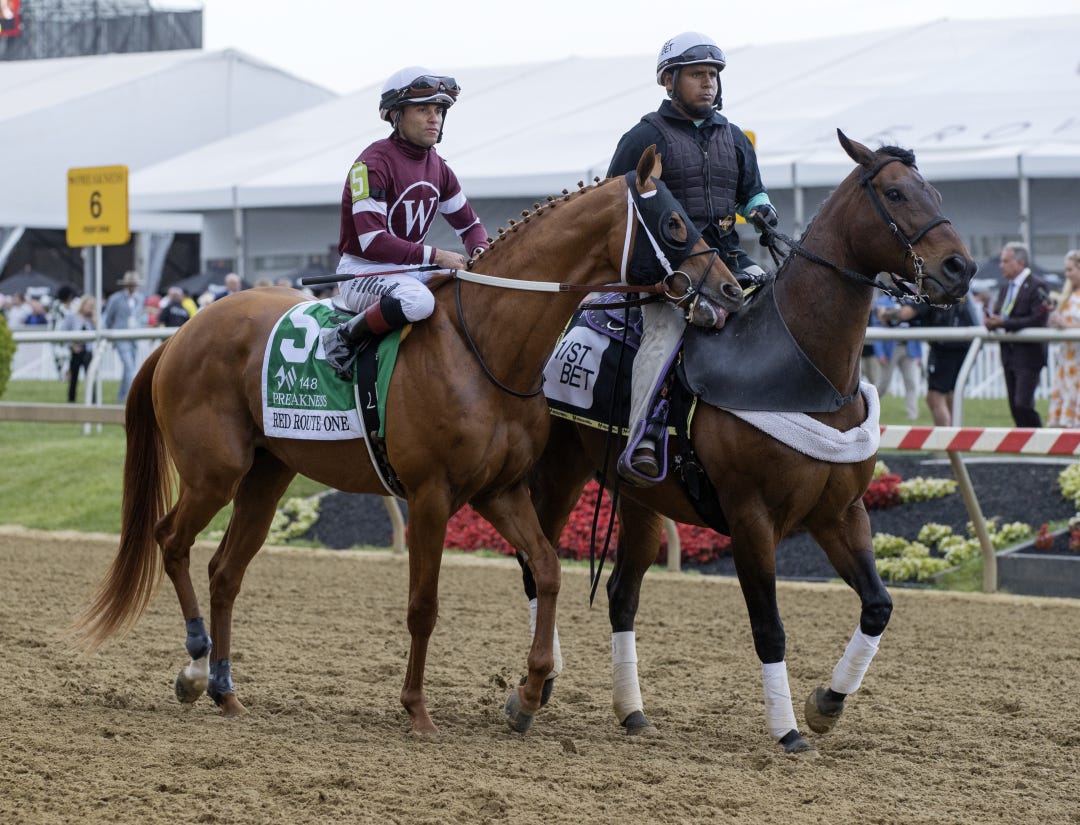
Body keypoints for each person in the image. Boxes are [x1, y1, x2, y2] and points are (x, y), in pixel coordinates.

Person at [605, 31, 779, 483]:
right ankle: (642, 435)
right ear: (668, 80)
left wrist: (760, 207)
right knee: (663, 333)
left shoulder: (735, 136)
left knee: (781, 310)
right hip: (670, 270)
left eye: (713, 76)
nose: (709, 84)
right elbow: (615, 202)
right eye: (698, 75)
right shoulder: (643, 136)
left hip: (729, 260)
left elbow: (750, 190)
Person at [321, 67, 490, 378]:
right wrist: (437, 256)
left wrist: (480, 250)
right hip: (362, 270)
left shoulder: (438, 167)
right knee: (419, 302)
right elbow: (373, 241)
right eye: (422, 109)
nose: (433, 118)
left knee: (473, 289)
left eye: (439, 110)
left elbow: (469, 226)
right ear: (396, 115)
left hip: (410, 270)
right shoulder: (371, 165)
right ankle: (343, 336)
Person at [882, 295, 981, 426]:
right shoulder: (957, 288)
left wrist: (885, 313)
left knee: (935, 397)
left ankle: (945, 439)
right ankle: (954, 436)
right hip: (965, 344)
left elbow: (906, 313)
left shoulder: (934, 289)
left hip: (945, 347)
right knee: (951, 394)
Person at [984, 242, 1050, 427]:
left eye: (1005, 261)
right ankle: (1025, 444)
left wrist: (1005, 323)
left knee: (1023, 404)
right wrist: (991, 321)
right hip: (1008, 353)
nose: (1001, 265)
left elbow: (1039, 319)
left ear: (1020, 263)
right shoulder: (1005, 288)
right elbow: (1000, 314)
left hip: (1029, 355)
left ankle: (1039, 439)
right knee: (1014, 406)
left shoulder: (1039, 285)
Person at [874, 292, 923, 421]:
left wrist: (919, 353)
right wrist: (880, 352)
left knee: (911, 382)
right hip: (891, 348)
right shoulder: (883, 301)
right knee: (883, 384)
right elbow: (877, 327)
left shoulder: (912, 300)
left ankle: (913, 415)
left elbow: (916, 326)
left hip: (909, 347)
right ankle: (869, 409)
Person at [1047, 250, 1080, 427]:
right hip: (1067, 358)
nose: (1067, 275)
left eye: (1070, 270)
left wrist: (1067, 326)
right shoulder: (1067, 296)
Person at [102, 270, 145, 403]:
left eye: (134, 284)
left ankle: (121, 396)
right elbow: (108, 318)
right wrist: (108, 335)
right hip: (121, 337)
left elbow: (138, 317)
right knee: (129, 367)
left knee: (129, 368)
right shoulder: (116, 298)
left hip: (134, 337)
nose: (132, 286)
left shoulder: (140, 298)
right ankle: (128, 398)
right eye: (130, 284)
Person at [61, 295, 97, 403]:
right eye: (88, 305)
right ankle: (71, 400)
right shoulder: (72, 317)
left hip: (88, 352)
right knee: (74, 378)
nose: (90, 308)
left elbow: (100, 331)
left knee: (90, 377)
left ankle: (92, 400)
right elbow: (63, 332)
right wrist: (72, 345)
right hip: (76, 352)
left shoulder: (92, 319)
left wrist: (94, 319)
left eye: (92, 306)